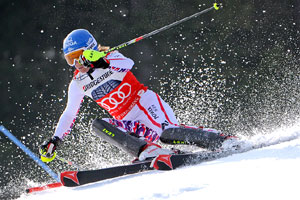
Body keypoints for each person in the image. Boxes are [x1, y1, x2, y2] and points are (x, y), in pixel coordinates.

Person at [40, 29, 236, 163]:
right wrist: (55, 139)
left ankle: (223, 140)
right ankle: (147, 150)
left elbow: (128, 64)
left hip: (145, 105)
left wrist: (104, 63)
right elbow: (69, 113)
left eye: (78, 56)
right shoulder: (77, 83)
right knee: (98, 125)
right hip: (130, 123)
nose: (76, 64)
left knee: (168, 134)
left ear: (90, 50)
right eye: (70, 60)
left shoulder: (110, 57)